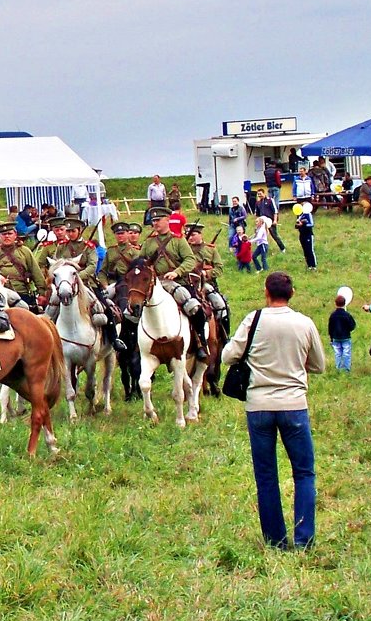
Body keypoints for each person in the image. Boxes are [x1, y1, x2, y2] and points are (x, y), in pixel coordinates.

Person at [222, 271, 325, 550]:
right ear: (292, 293)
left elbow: (227, 356)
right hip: (294, 405)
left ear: (266, 292)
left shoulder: (253, 320)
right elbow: (319, 364)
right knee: (304, 473)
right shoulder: (304, 323)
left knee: (266, 474)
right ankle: (304, 539)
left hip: (259, 406)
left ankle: (276, 540)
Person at [139, 206, 208, 360]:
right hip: (154, 284)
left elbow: (190, 259)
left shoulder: (178, 240)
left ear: (168, 220)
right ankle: (133, 345)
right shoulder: (149, 242)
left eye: (158, 220)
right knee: (131, 311)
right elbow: (140, 260)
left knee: (194, 308)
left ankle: (200, 343)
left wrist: (176, 272)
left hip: (177, 282)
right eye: (153, 220)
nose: (155, 223)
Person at [0, 222, 48, 311]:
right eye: (3, 234)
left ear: (15, 235)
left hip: (22, 293)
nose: (7, 236)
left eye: (9, 233)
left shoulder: (24, 251)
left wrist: (42, 293)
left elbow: (36, 273)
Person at [97, 221, 139, 352]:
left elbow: (138, 271)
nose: (120, 236)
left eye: (122, 233)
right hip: (111, 284)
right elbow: (102, 271)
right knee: (101, 306)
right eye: (117, 234)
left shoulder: (134, 252)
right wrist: (104, 285)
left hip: (128, 284)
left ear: (127, 234)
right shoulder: (110, 252)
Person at [328, 294, 356, 372]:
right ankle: (347, 369)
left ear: (335, 303)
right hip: (346, 337)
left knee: (338, 353)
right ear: (344, 303)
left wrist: (331, 337)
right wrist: (348, 330)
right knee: (346, 353)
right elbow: (352, 325)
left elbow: (330, 327)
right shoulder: (347, 315)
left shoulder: (333, 315)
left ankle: (338, 368)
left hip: (336, 337)